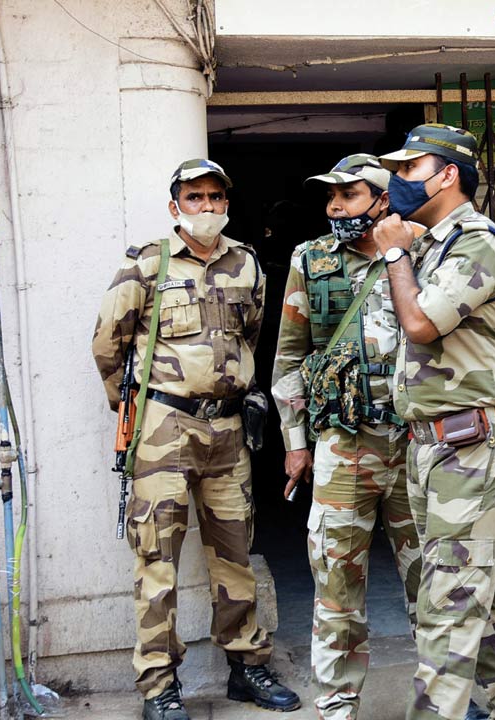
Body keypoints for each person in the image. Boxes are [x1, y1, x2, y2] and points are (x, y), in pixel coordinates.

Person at [93, 159, 300, 720]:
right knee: (156, 559)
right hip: (163, 430)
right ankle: (160, 686)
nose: (206, 207)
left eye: (215, 197)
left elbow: (252, 333)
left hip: (229, 431)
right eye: (194, 197)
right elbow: (108, 344)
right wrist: (135, 405)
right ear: (175, 206)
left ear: (226, 203)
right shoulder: (146, 264)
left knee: (235, 552)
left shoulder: (246, 264)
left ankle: (246, 666)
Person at [372, 124, 495, 720]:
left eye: (410, 169)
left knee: (448, 607)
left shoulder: (478, 242)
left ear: (446, 175)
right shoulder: (433, 245)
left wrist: (394, 252)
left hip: (472, 447)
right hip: (435, 445)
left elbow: (421, 326)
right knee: (471, 603)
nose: (397, 181)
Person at [270, 153, 421, 720]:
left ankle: (448, 694)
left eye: (349, 195)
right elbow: (289, 355)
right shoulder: (311, 261)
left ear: (384, 200)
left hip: (417, 442)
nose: (334, 206)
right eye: (330, 196)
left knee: (432, 577)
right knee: (336, 580)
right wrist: (295, 441)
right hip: (343, 443)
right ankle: (336, 705)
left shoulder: (423, 252)